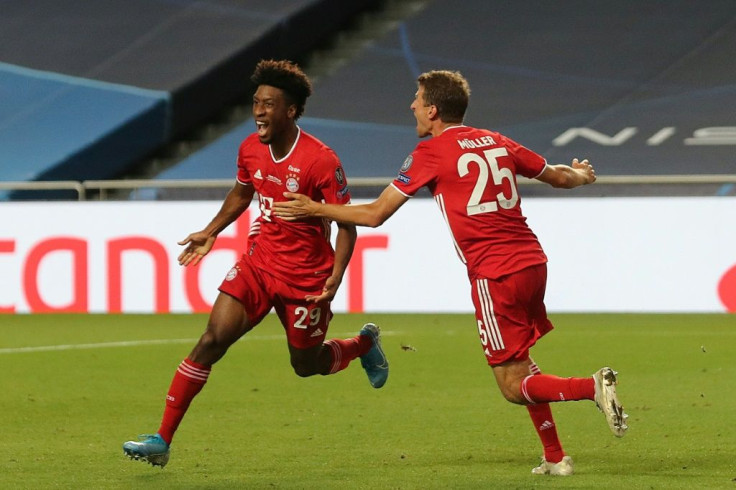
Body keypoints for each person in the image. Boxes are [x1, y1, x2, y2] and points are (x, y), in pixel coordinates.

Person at [273, 69, 628, 476]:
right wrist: (583, 174)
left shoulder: (431, 153)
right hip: (532, 261)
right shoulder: (496, 140)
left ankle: (590, 387)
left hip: (495, 272)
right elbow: (561, 177)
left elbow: (374, 214)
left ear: (434, 109)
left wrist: (314, 208)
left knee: (512, 386)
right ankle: (554, 457)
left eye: (418, 99)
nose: (412, 106)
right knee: (521, 361)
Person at [122, 59, 388, 468]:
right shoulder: (249, 148)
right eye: (256, 103)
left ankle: (363, 344)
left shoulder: (321, 160)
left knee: (306, 365)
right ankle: (162, 439)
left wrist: (335, 277)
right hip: (259, 265)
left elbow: (346, 224)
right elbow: (241, 194)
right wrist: (211, 230)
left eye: (268, 104)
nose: (259, 111)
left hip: (307, 279)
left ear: (291, 111)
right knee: (212, 340)